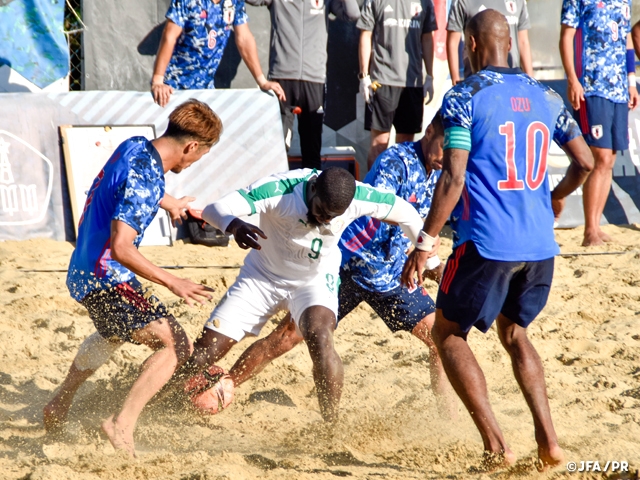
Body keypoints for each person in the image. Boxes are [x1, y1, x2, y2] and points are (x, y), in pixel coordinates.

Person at [401, 10, 594, 470]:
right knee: (515, 332)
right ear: (509, 42)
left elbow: (453, 177)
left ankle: (496, 447)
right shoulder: (545, 95)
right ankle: (549, 442)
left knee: (448, 335)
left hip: (486, 242)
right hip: (540, 246)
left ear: (469, 43)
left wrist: (425, 241)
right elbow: (585, 162)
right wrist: (556, 196)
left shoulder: (465, 95)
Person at [201, 112, 457, 418]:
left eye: (455, 151)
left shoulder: (440, 170)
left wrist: (429, 256)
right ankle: (227, 381)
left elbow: (409, 218)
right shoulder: (396, 162)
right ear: (429, 132)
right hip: (350, 265)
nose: (448, 156)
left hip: (390, 274)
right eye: (445, 146)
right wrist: (425, 255)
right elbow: (370, 209)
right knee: (284, 340)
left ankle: (449, 417)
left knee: (440, 338)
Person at [171, 167, 429, 422]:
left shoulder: (360, 195)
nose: (325, 220)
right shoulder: (280, 189)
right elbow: (213, 209)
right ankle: (158, 402)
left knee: (321, 338)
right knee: (205, 353)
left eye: (333, 216)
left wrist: (425, 251)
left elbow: (406, 212)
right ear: (313, 188)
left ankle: (330, 428)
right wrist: (235, 225)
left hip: (314, 280)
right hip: (262, 276)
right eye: (321, 211)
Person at [43, 99, 223, 457]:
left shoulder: (137, 145)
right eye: (198, 155)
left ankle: (58, 403)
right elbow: (123, 248)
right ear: (190, 146)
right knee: (175, 344)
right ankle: (121, 423)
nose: (193, 162)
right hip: (108, 276)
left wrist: (171, 202)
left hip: (82, 268)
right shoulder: (147, 180)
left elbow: (130, 183)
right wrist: (174, 282)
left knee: (111, 334)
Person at [245, 0, 360, 170]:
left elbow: (352, 13)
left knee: (312, 152)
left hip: (314, 79)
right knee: (278, 150)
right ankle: (277, 194)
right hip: (282, 78)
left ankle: (311, 194)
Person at [559, 0, 638, 246]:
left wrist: (631, 80)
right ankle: (588, 229)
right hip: (592, 84)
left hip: (618, 89)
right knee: (598, 156)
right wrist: (572, 78)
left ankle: (594, 226)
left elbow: (626, 38)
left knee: (610, 158)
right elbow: (566, 36)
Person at [150, 0, 285, 107]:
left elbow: (244, 38)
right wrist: (158, 81)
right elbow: (169, 36)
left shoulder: (233, 2)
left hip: (206, 92)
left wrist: (262, 81)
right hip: (173, 90)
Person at [357, 0, 438, 168]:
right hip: (382, 80)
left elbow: (427, 38)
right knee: (379, 144)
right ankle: (373, 191)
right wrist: (364, 76)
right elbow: (366, 34)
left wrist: (430, 76)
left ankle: (400, 192)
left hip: (412, 82)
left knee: (406, 147)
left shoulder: (424, 3)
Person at [446, 0, 533, 85]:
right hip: (476, 82)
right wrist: (455, 79)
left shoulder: (519, 2)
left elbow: (523, 42)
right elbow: (453, 42)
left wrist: (531, 80)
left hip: (512, 79)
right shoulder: (462, 2)